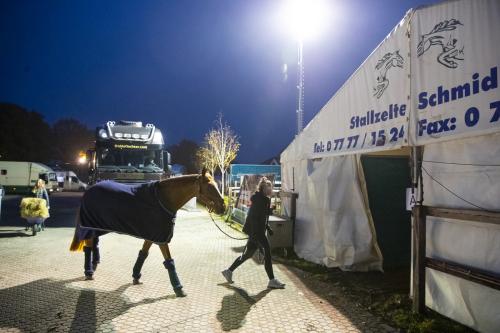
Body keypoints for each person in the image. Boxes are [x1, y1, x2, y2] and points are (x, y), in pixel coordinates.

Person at [222, 177, 285, 289]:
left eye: (271, 187)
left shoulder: (263, 199)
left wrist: (268, 228)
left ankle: (229, 271)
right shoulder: (260, 200)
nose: (271, 190)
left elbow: (262, 218)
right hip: (257, 232)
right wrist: (255, 236)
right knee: (268, 254)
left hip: (256, 232)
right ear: (263, 188)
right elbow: (254, 218)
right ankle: (272, 280)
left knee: (247, 254)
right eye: (269, 187)